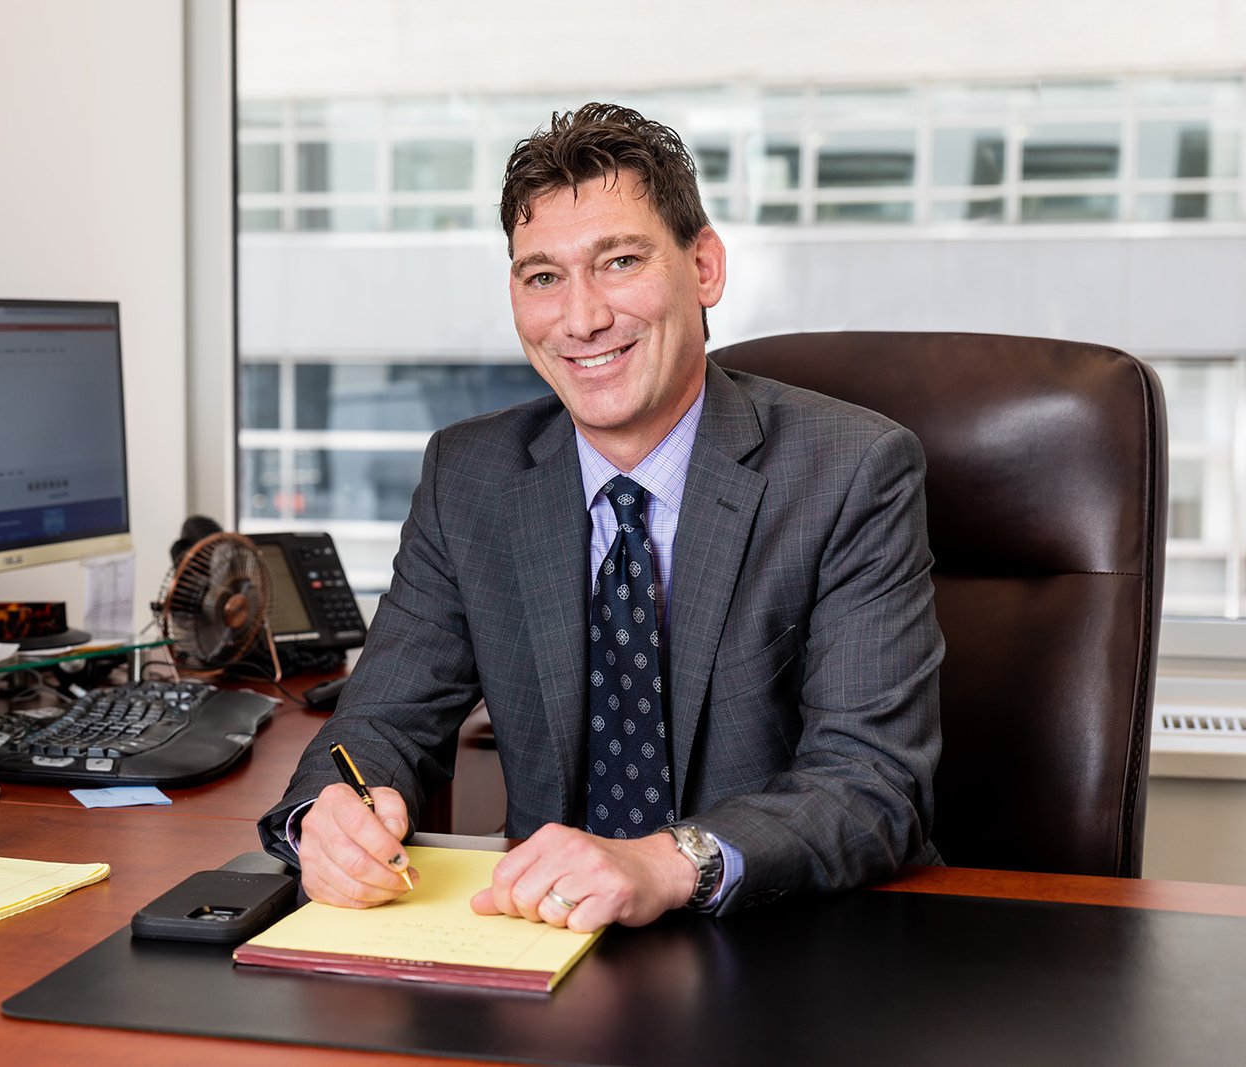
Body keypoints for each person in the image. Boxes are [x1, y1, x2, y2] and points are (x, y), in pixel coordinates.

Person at [259, 102, 943, 931]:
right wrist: (332, 814)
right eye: (543, 277)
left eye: (619, 261)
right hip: (547, 937)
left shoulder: (850, 470)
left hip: (783, 938)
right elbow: (380, 721)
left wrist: (662, 861)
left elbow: (872, 783)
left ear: (704, 267)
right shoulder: (469, 475)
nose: (580, 319)